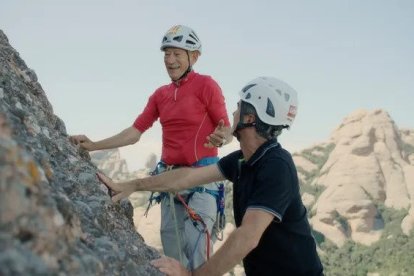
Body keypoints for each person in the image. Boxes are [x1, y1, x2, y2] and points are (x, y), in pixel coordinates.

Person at [96, 76, 324, 276]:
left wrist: (192, 275)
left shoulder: (277, 165)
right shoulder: (241, 160)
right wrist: (134, 185)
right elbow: (184, 178)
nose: (234, 112)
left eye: (239, 106)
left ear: (250, 117)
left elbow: (247, 236)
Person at [70, 25, 233, 270]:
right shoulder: (160, 95)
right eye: (166, 54)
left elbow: (226, 129)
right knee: (172, 259)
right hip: (169, 181)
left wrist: (222, 137)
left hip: (202, 181)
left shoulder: (206, 86)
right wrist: (93, 145)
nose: (170, 60)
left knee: (198, 255)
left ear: (194, 57)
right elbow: (134, 132)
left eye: (177, 54)